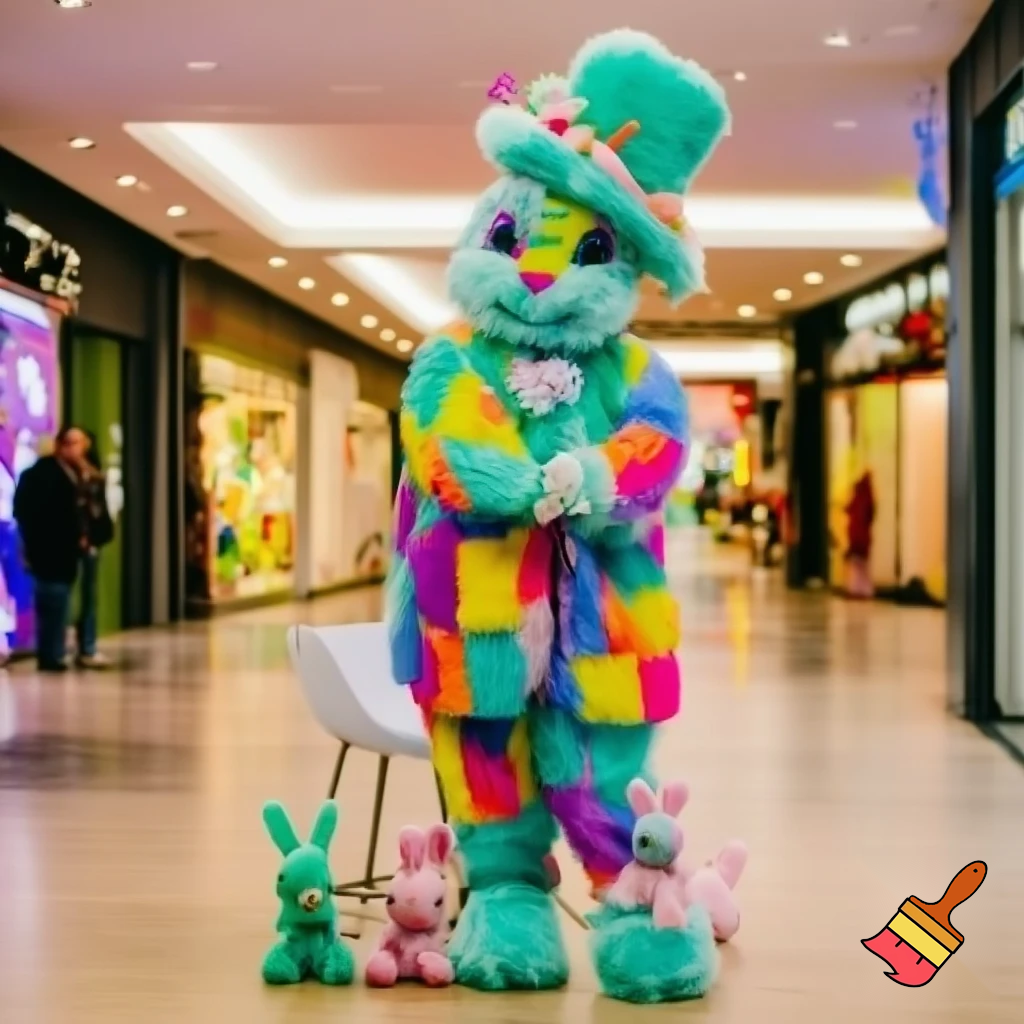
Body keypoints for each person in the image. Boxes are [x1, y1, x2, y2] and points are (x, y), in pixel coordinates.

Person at [384, 31, 731, 1002]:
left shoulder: (634, 370)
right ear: (483, 232)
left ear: (619, 260)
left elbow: (656, 451)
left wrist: (591, 476)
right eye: (511, 241)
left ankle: (636, 898)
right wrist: (524, 485)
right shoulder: (450, 355)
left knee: (604, 768)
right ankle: (505, 899)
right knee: (487, 766)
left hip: (608, 626)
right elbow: (448, 450)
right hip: (475, 617)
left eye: (576, 251)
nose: (535, 273)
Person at [13, 426, 89, 672]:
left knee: (49, 604)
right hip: (56, 553)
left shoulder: (36, 476)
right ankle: (52, 654)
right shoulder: (56, 478)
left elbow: (21, 510)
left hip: (42, 552)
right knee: (56, 604)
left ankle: (50, 652)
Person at [75, 431, 115, 668]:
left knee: (89, 594)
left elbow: (98, 511)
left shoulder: (94, 477)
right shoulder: (60, 474)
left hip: (89, 542)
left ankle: (87, 645)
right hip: (66, 543)